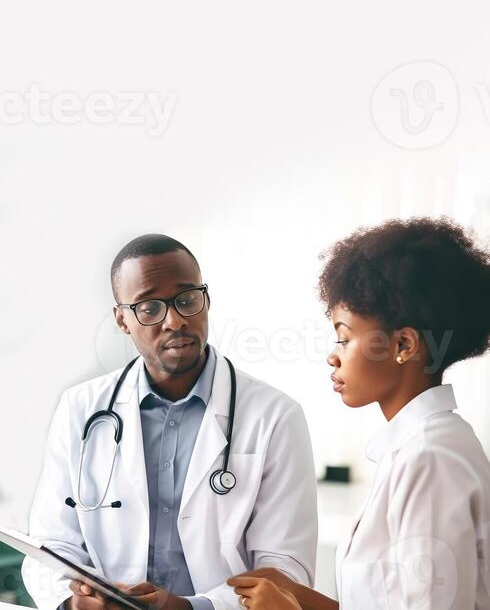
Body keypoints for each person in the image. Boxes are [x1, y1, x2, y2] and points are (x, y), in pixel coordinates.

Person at [22, 234, 318, 610]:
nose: (175, 320)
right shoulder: (79, 408)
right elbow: (51, 545)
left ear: (206, 300)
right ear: (122, 320)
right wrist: (72, 603)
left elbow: (286, 569)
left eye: (187, 299)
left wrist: (192, 607)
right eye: (149, 307)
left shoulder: (275, 416)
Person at [228, 218, 490, 610]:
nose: (333, 355)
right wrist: (301, 597)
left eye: (345, 337)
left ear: (403, 344)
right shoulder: (416, 447)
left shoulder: (431, 459)